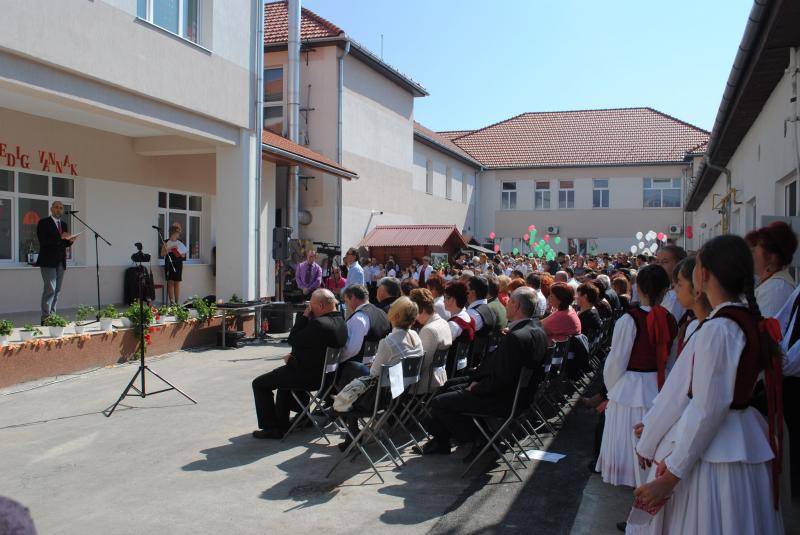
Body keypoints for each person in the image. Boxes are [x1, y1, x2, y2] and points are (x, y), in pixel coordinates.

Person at [632, 235, 784, 535]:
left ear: (702, 275)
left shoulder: (718, 329)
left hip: (714, 456)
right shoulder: (747, 320)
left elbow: (705, 407)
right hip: (739, 440)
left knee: (708, 521)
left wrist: (671, 475)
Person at [418, 287, 548, 456]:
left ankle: (478, 439)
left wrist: (476, 387)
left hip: (503, 398)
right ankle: (441, 440)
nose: (506, 304)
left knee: (440, 402)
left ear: (516, 306)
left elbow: (502, 379)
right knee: (449, 385)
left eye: (509, 301)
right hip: (518, 394)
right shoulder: (536, 329)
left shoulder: (516, 337)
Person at [595, 264, 677, 487]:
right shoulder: (670, 319)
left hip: (630, 388)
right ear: (665, 290)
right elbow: (671, 359)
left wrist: (612, 391)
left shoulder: (629, 320)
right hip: (659, 386)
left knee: (628, 444)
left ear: (637, 288)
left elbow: (616, 362)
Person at [251, 289, 347, 439]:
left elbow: (293, 338)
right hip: (328, 376)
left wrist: (303, 317)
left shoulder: (319, 324)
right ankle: (296, 418)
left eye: (312, 306)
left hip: (309, 376)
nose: (310, 309)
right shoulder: (341, 322)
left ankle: (271, 427)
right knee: (283, 380)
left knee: (259, 383)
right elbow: (314, 348)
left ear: (321, 306)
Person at [36, 200, 77, 323]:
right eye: (56, 207)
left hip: (60, 261)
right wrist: (61, 238)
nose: (59, 209)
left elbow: (62, 244)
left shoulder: (63, 224)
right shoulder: (43, 223)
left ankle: (52, 316)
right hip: (48, 261)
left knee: (57, 290)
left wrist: (70, 241)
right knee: (50, 289)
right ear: (51, 209)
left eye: (61, 208)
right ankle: (45, 317)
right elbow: (44, 242)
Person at [746, 221, 798, 318]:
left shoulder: (776, 290)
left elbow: (764, 331)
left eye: (754, 249)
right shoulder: (772, 285)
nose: (750, 253)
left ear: (772, 257)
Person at [409, 288, 452, 393]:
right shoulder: (443, 323)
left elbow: (420, 366)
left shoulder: (429, 330)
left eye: (414, 313)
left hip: (424, 384)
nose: (414, 318)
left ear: (422, 310)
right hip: (438, 379)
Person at [339, 284, 391, 363]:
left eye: (346, 301)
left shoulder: (359, 318)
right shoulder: (382, 313)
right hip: (379, 365)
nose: (347, 305)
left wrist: (337, 360)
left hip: (358, 369)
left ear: (352, 297)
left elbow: (351, 350)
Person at [656, 244, 687, 321]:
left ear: (679, 264)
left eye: (664, 262)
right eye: (658, 262)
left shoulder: (675, 296)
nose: (659, 266)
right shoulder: (667, 289)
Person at [160, 223, 187, 305]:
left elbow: (184, 255)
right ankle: (172, 303)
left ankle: (177, 302)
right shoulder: (166, 241)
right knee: (170, 282)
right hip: (169, 263)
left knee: (177, 283)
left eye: (178, 233)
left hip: (178, 263)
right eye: (177, 233)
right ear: (172, 233)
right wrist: (170, 249)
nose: (178, 235)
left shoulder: (180, 242)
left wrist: (179, 252)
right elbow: (162, 254)